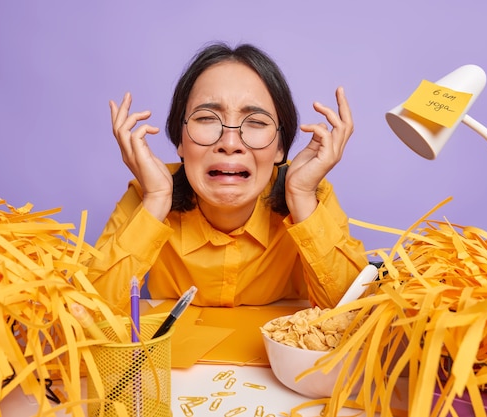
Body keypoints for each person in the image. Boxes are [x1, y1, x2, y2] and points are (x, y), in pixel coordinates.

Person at [88, 42, 367, 313]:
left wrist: (302, 198)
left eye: (256, 122)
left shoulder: (311, 195)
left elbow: (354, 314)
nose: (230, 142)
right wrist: (157, 200)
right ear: (180, 140)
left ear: (281, 147)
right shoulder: (146, 195)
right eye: (207, 118)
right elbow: (87, 314)